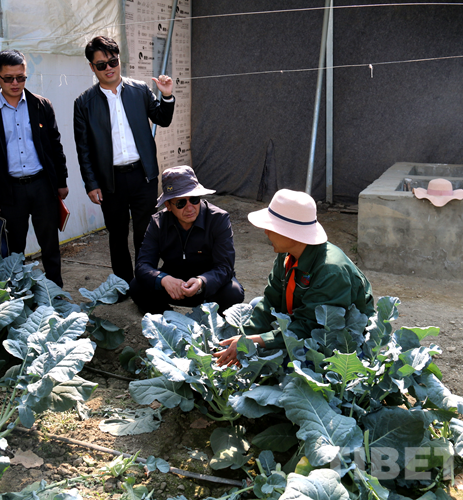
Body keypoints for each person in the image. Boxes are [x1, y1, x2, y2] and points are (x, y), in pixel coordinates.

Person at [213, 189, 374, 366]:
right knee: (255, 304)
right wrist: (244, 338)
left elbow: (311, 328)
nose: (266, 232)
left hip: (336, 339)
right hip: (304, 319)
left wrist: (256, 340)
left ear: (291, 233)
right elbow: (270, 300)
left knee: (288, 365)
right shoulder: (287, 254)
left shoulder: (331, 271)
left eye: (271, 227)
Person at [73, 35, 175, 286]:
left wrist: (166, 96)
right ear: (92, 67)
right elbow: (83, 149)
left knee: (145, 233)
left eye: (113, 61)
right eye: (101, 64)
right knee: (117, 234)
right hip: (110, 181)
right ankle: (122, 284)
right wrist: (91, 184)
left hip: (143, 175)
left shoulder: (140, 90)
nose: (109, 68)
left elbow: (162, 119)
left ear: (119, 60)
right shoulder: (84, 103)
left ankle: (145, 281)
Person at [0, 49, 68, 287]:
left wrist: (61, 181)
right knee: (14, 249)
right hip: (10, 190)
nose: (15, 83)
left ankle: (55, 292)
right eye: (9, 78)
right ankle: (18, 294)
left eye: (21, 77)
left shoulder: (41, 105)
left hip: (42, 186)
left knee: (50, 245)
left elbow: (55, 145)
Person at [130, 166, 244, 313]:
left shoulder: (218, 219)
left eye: (194, 200)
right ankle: (167, 317)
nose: (190, 208)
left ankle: (207, 315)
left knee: (233, 293)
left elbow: (225, 267)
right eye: (181, 203)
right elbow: (143, 265)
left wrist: (202, 282)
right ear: (168, 205)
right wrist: (163, 279)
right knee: (136, 287)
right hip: (172, 286)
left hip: (206, 287)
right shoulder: (158, 222)